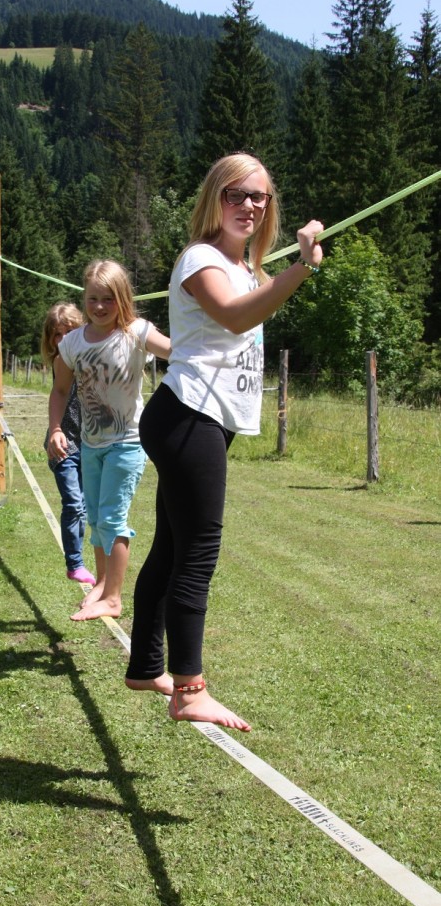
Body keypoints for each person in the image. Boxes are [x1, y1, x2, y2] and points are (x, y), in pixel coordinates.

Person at [124, 152, 324, 730]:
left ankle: (146, 664)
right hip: (190, 416)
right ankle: (190, 688)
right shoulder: (200, 258)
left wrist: (280, 269)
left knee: (172, 546)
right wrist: (303, 268)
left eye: (259, 197)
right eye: (236, 194)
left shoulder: (248, 270)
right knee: (198, 552)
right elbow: (234, 318)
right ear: (215, 198)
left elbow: (250, 298)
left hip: (203, 420)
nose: (249, 205)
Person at [48, 260, 171, 622]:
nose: (100, 307)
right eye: (92, 299)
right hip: (90, 444)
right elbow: (58, 390)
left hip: (128, 443)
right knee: (96, 521)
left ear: (123, 298)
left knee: (113, 519)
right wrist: (56, 428)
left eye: (108, 299)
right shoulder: (72, 342)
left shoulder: (136, 332)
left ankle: (114, 599)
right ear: (84, 298)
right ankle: (102, 584)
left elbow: (177, 353)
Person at [41, 302, 96, 588]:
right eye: (56, 334)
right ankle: (74, 564)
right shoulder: (60, 361)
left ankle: (80, 559)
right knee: (73, 502)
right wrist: (54, 430)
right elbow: (60, 394)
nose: (61, 340)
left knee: (84, 507)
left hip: (90, 442)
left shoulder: (88, 359)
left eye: (68, 332)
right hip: (62, 442)